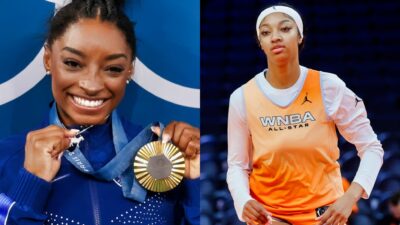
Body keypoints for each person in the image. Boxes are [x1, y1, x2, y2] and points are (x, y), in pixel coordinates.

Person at [0, 0, 200, 224]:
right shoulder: (7, 159)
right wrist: (31, 185)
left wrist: (196, 185)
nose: (92, 85)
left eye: (113, 68)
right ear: (48, 59)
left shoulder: (165, 156)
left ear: (130, 69)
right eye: (73, 63)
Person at [226, 4, 383, 225]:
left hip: (324, 215)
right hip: (270, 216)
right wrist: (242, 201)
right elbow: (237, 166)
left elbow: (371, 148)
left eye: (285, 28)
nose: (275, 37)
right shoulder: (242, 97)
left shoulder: (329, 86)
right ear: (260, 43)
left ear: (300, 36)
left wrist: (350, 198)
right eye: (266, 32)